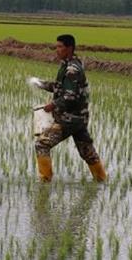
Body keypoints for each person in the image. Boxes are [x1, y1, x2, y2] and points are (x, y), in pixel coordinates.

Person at [34, 34, 107, 183]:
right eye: (57, 46)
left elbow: (69, 96)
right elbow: (60, 88)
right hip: (79, 118)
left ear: (69, 48)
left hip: (70, 119)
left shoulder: (72, 69)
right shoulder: (68, 65)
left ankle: (45, 180)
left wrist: (52, 105)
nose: (57, 50)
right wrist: (41, 84)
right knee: (87, 152)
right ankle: (102, 180)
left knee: (42, 143)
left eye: (60, 47)